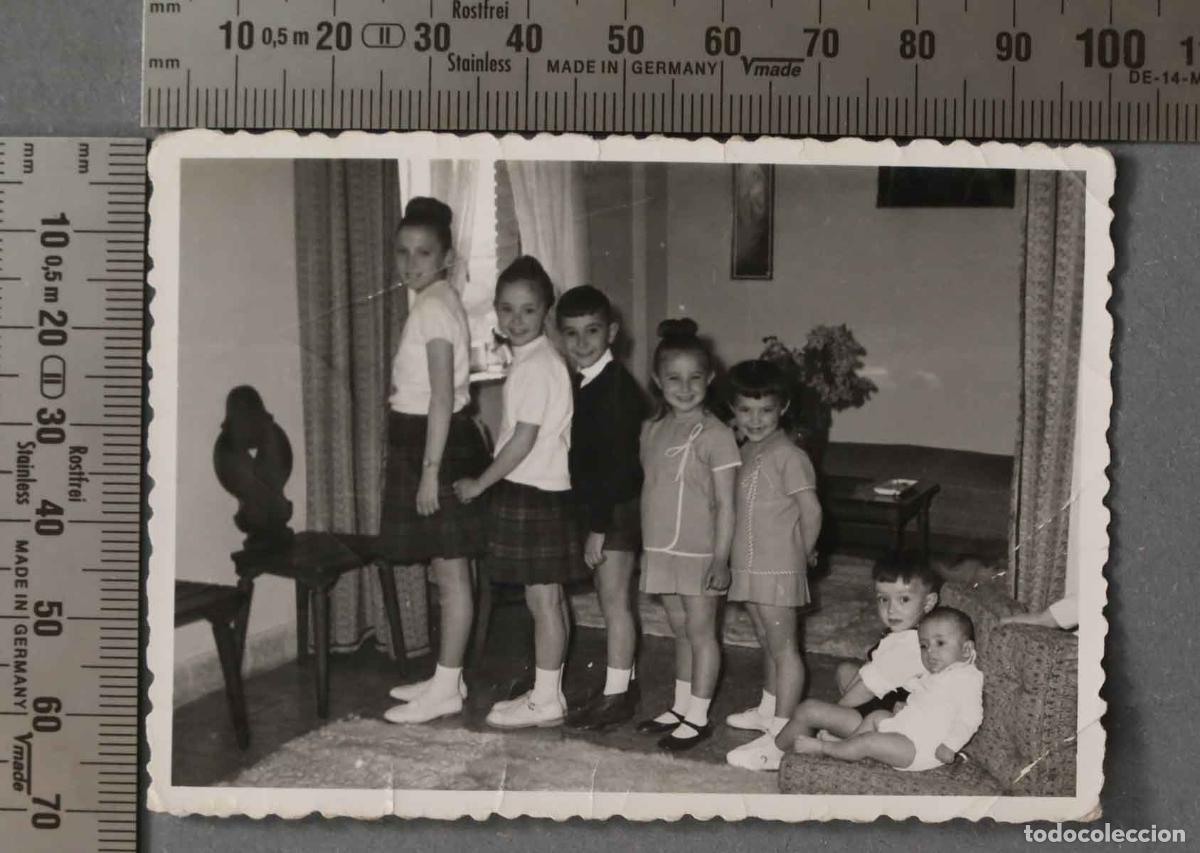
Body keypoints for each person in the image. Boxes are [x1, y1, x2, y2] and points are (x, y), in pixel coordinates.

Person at [453, 256, 586, 729]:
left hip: (535, 492)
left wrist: (480, 483)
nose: (516, 320)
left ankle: (547, 701)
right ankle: (547, 693)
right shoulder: (537, 360)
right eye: (507, 309)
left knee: (543, 601)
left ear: (546, 311)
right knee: (547, 599)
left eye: (528, 310)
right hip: (539, 489)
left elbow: (522, 440)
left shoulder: (537, 367)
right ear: (495, 311)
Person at [381, 197, 490, 725]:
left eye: (423, 253)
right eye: (402, 252)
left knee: (451, 575)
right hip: (426, 439)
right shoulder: (438, 300)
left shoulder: (432, 307)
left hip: (435, 445)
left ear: (446, 256)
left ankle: (447, 688)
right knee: (450, 569)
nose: (410, 262)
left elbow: (443, 397)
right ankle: (446, 678)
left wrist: (429, 473)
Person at [634, 319, 740, 751]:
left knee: (701, 633)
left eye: (695, 378)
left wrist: (721, 558)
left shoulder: (717, 435)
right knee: (678, 631)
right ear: (658, 381)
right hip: (662, 548)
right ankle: (680, 705)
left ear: (710, 378)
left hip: (699, 552)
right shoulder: (653, 430)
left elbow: (727, 504)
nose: (684, 387)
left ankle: (698, 715)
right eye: (673, 378)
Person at [722, 360, 822, 771]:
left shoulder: (789, 455)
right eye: (746, 410)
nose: (756, 419)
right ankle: (768, 710)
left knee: (784, 648)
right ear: (733, 409)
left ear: (782, 408)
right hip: (749, 563)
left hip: (779, 566)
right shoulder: (745, 450)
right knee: (766, 640)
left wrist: (803, 553)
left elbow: (811, 511)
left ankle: (782, 739)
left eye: (765, 410)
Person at [556, 285, 648, 731]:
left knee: (614, 603)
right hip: (603, 507)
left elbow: (615, 469)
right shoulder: (586, 380)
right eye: (571, 333)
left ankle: (617, 695)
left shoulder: (614, 388)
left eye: (591, 331)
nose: (582, 342)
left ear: (611, 332)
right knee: (612, 601)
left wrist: (597, 527)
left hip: (616, 511)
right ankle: (619, 684)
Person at [755, 551, 940, 771]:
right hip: (886, 705)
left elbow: (866, 689)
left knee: (809, 710)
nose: (891, 609)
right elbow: (869, 673)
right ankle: (838, 734)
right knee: (846, 670)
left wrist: (831, 712)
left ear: (928, 602)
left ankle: (775, 753)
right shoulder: (909, 634)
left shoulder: (910, 646)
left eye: (904, 599)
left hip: (892, 726)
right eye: (883, 599)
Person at [789, 607, 984, 772]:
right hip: (906, 730)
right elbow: (928, 701)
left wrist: (950, 745)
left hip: (919, 749)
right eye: (924, 646)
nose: (930, 651)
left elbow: (970, 718)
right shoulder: (939, 673)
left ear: (966, 650)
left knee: (869, 742)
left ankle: (825, 748)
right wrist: (905, 706)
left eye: (940, 643)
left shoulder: (967, 679)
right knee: (877, 716)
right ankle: (845, 745)